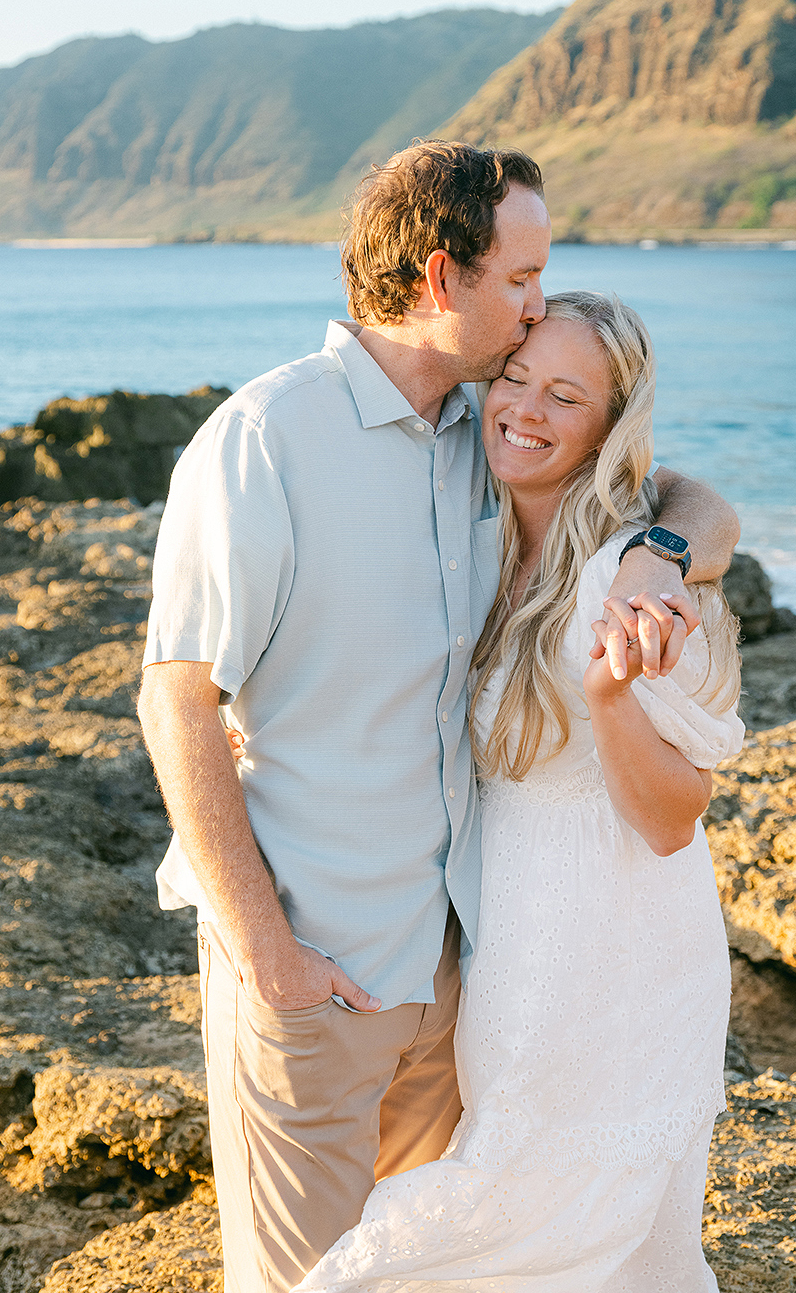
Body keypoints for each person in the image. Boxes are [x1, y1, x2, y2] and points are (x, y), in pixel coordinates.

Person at [136, 141, 741, 1293]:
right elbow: (177, 698)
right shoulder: (266, 440)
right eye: (520, 278)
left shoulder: (481, 433)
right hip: (317, 963)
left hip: (460, 974)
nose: (534, 310)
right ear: (436, 275)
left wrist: (664, 557)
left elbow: (663, 487)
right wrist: (268, 950)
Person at [289, 291, 742, 1293]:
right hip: (512, 948)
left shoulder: (643, 592)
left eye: (565, 395)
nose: (525, 409)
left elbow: (672, 820)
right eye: (515, 379)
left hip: (618, 965)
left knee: (540, 1223)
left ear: (610, 423)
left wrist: (610, 696)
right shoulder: (478, 531)